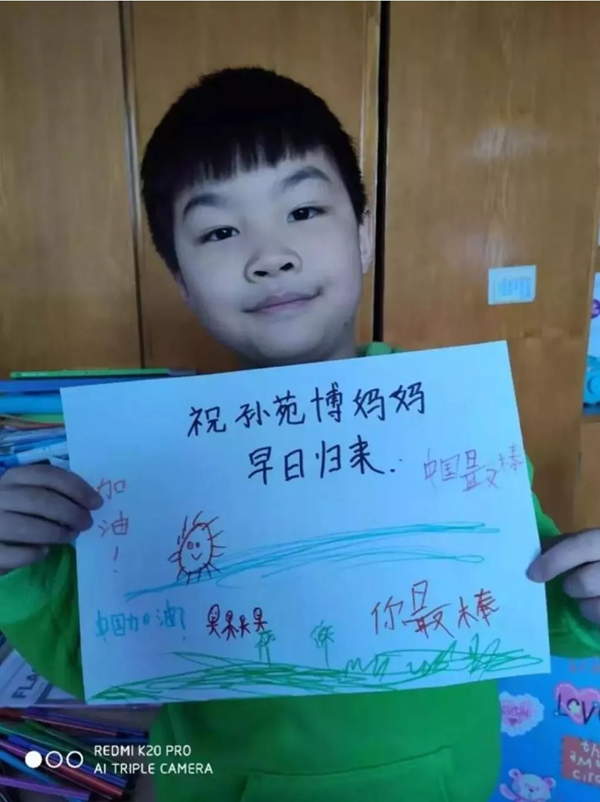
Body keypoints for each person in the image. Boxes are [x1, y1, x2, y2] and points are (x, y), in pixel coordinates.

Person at [0, 67, 598, 802]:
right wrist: (19, 572)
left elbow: (536, 606)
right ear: (181, 279)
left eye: (304, 210)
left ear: (364, 235)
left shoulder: (451, 425)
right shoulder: (154, 456)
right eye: (220, 231)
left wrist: (587, 600)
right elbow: (98, 658)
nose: (270, 256)